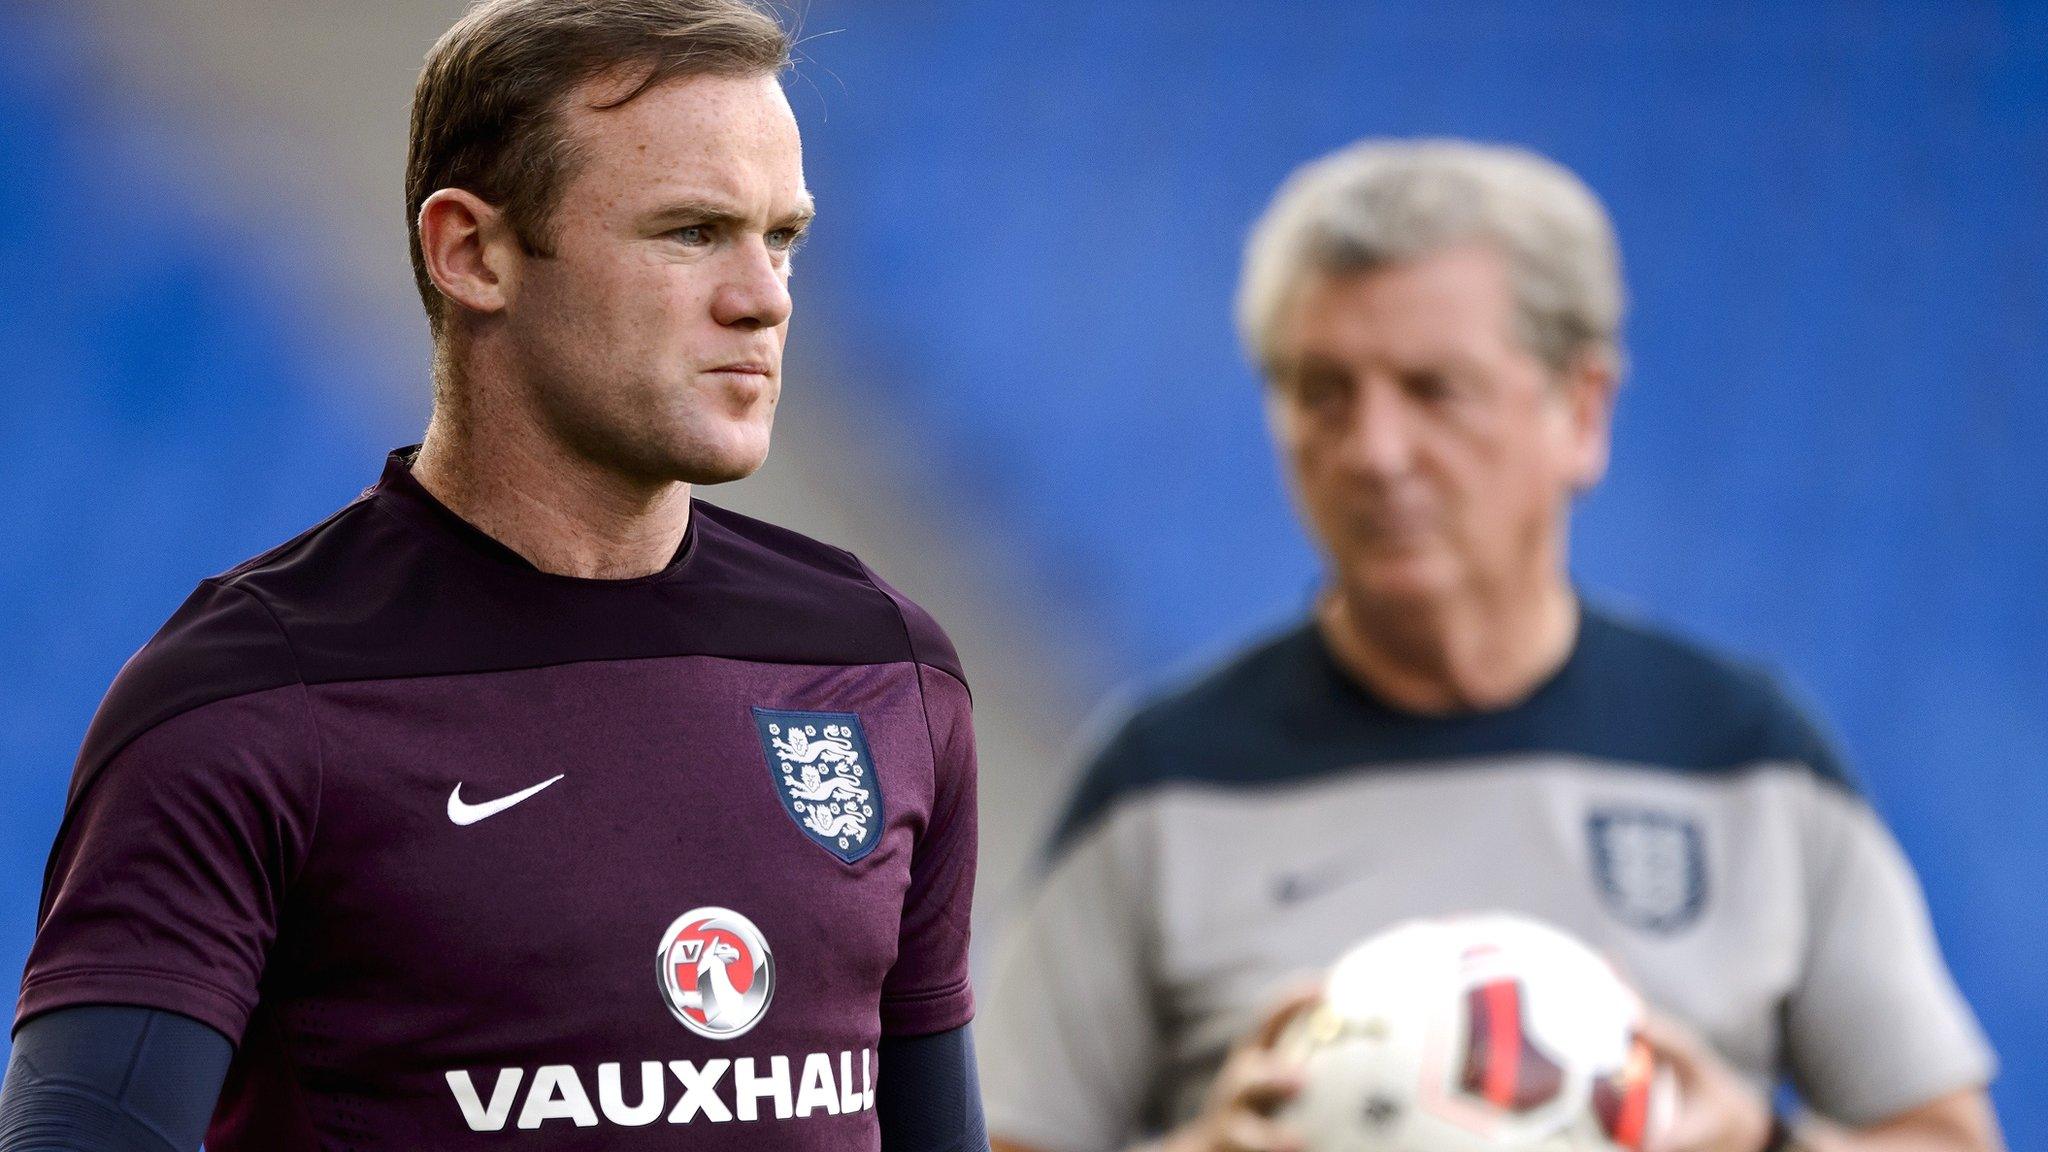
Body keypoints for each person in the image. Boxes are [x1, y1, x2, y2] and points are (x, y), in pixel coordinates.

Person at [0, 2, 988, 1150]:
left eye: (781, 237)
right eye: (690, 232)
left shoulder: (880, 670)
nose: (762, 296)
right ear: (471, 252)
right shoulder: (246, 703)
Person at [978, 140, 2000, 1152]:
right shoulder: (1159, 782)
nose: (1374, 452)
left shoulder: (1749, 758)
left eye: (1433, 391)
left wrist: (1758, 1148)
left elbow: (1947, 1138)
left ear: (1581, 411)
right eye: (1321, 392)